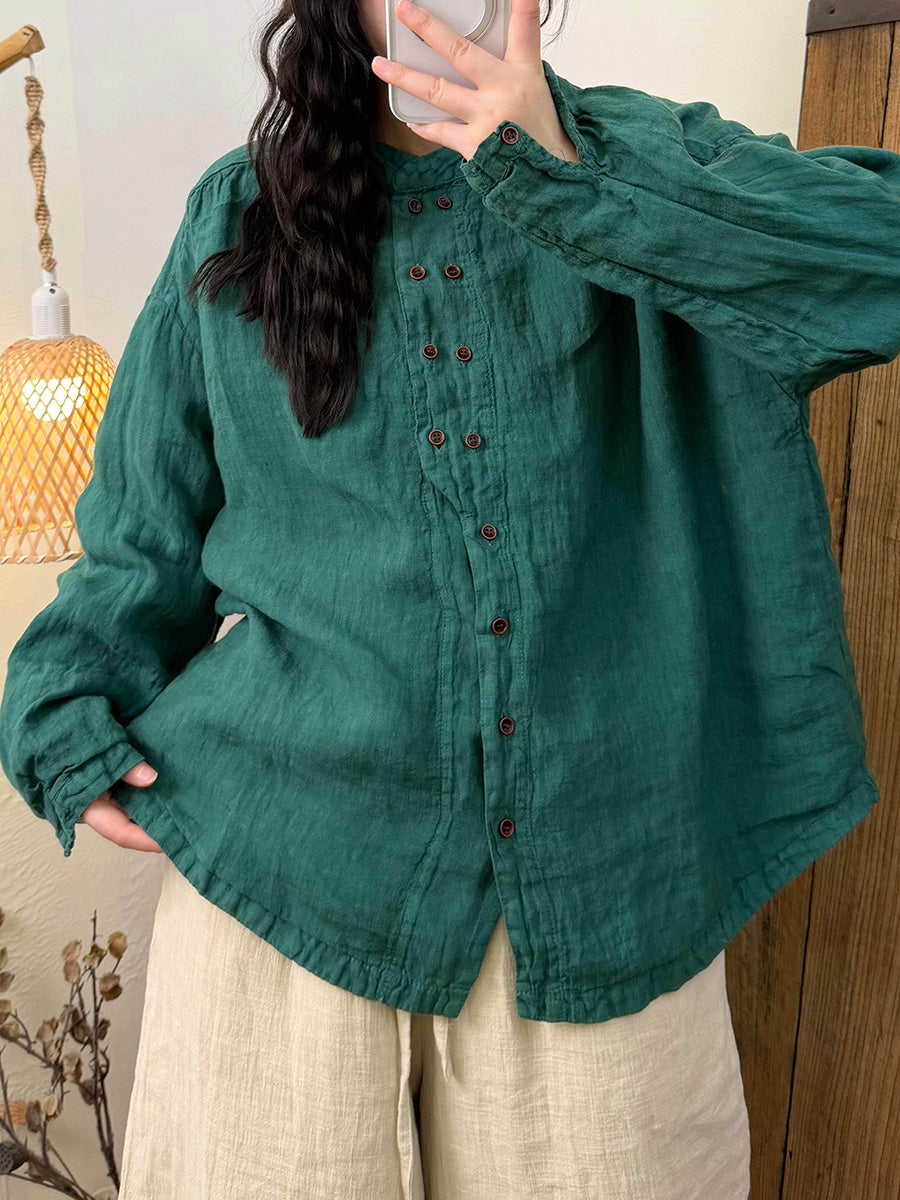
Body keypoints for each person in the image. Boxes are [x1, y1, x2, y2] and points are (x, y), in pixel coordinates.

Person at [2, 0, 900, 1195]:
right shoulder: (238, 217)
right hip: (283, 891)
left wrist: (574, 183)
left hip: (610, 893)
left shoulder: (651, 159)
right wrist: (62, 715)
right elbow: (136, 552)